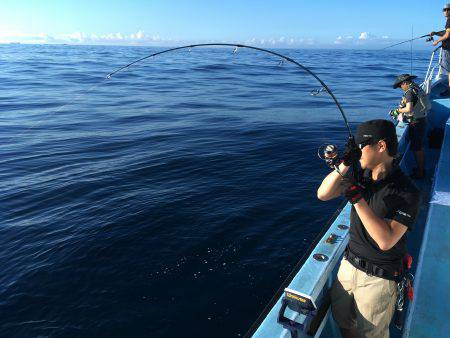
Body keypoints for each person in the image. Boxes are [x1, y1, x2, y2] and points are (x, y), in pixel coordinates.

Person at [317, 119, 420, 338]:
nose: (358, 151)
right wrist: (345, 162)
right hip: (348, 266)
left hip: (379, 280)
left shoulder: (408, 192)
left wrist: (357, 199)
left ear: (381, 146)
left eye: (361, 146)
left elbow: (386, 240)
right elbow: (323, 194)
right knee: (344, 323)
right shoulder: (359, 175)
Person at [391, 74, 429, 179]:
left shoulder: (409, 92)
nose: (400, 88)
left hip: (416, 123)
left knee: (417, 148)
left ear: (404, 83)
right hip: (422, 120)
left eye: (400, 86)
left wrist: (397, 111)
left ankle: (420, 172)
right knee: (418, 146)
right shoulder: (417, 88)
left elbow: (409, 109)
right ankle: (421, 169)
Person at [430, 3, 450, 96]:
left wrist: (436, 41)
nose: (446, 11)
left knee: (448, 69)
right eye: (444, 10)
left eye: (448, 9)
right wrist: (436, 33)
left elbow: (447, 35)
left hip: (448, 49)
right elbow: (445, 32)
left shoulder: (449, 21)